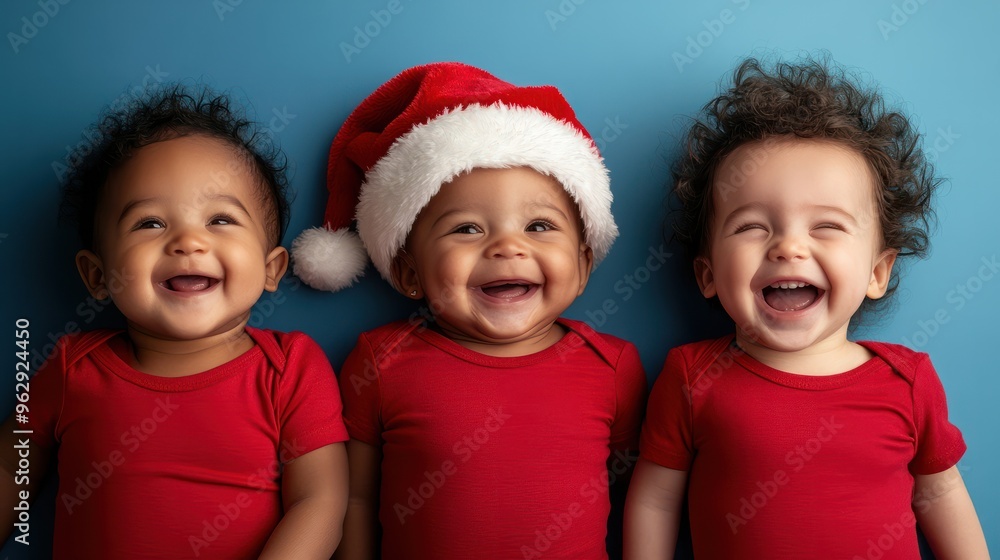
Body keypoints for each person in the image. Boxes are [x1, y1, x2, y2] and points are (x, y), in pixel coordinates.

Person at [624, 57, 989, 559]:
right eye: (752, 226)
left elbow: (941, 491)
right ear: (707, 275)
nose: (788, 248)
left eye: (826, 227)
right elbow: (657, 501)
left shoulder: (908, 381)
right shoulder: (692, 377)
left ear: (877, 274)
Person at [291, 62, 647, 559]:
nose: (507, 247)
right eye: (467, 229)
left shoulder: (613, 368)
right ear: (409, 272)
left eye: (540, 226)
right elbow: (355, 497)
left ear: (585, 264)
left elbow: (637, 495)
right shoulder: (379, 362)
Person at [0, 86, 349, 559]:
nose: (188, 241)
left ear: (272, 269)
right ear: (97, 275)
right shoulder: (70, 369)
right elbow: (10, 469)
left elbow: (321, 499)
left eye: (221, 219)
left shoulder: (289, 368)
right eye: (149, 223)